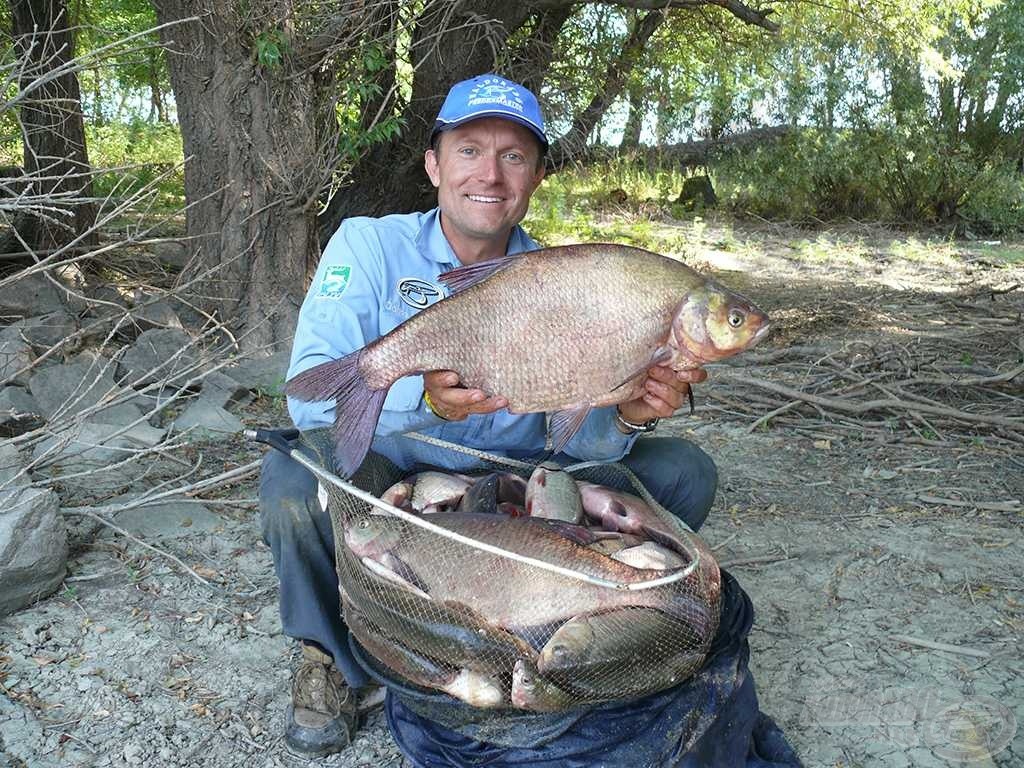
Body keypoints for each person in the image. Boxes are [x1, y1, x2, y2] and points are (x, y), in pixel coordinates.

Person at [259, 73, 717, 758]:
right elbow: (306, 398)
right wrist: (423, 398)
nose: (491, 175)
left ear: (534, 178)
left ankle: (554, 624)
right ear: (434, 164)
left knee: (684, 472)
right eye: (470, 150)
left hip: (519, 473)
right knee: (293, 480)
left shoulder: (563, 277)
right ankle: (328, 655)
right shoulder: (369, 246)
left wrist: (627, 414)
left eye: (514, 156)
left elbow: (575, 438)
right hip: (398, 460)